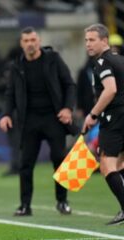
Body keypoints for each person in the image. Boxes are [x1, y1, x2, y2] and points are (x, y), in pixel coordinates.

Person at [0, 26, 77, 216]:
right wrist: (6, 114)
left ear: (39, 41)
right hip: (29, 120)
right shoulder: (17, 66)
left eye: (33, 40)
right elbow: (10, 93)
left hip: (54, 118)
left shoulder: (53, 59)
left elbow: (69, 84)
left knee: (60, 158)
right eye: (26, 41)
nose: (30, 44)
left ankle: (62, 201)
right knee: (26, 164)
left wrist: (67, 108)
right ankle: (25, 206)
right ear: (21, 44)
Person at [82, 23, 124, 225]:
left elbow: (110, 90)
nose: (87, 44)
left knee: (107, 166)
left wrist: (92, 115)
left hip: (114, 119)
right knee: (121, 165)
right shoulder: (120, 60)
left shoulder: (102, 62)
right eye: (86, 40)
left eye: (92, 40)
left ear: (104, 41)